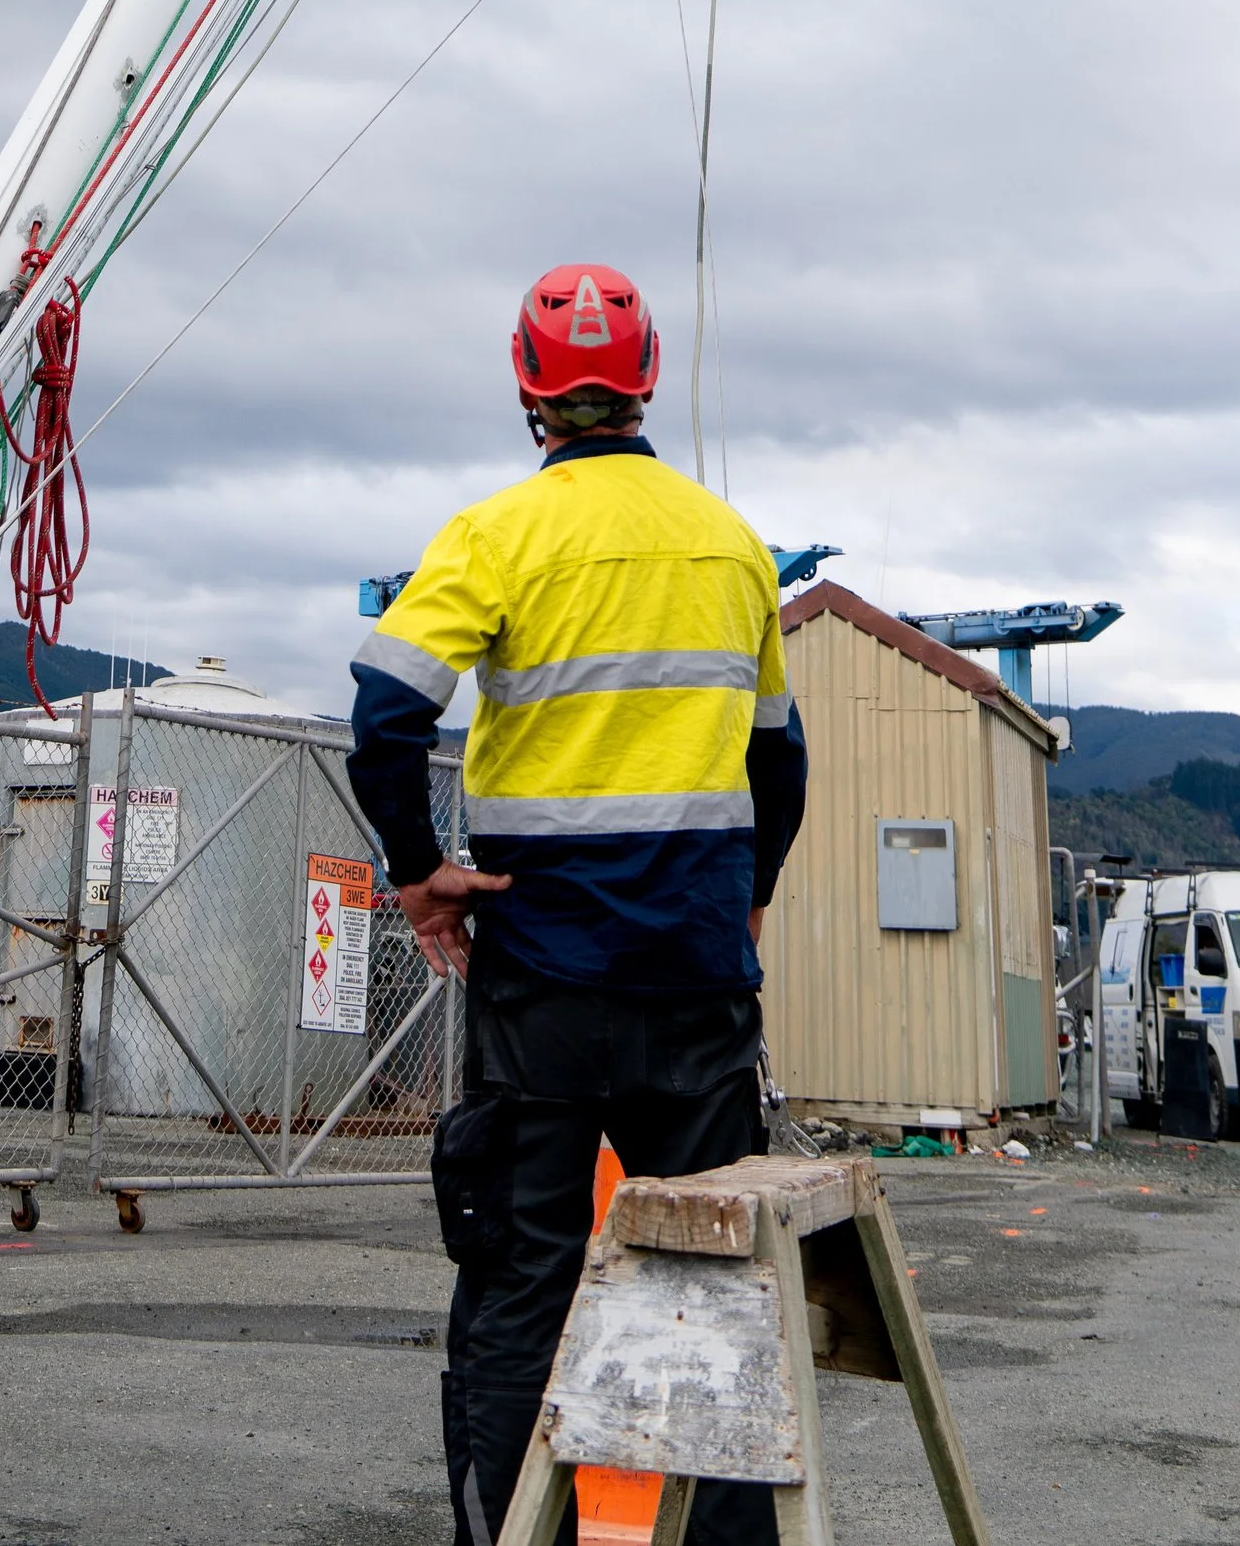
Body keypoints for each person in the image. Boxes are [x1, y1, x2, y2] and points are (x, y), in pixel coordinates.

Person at [348, 266, 807, 1546]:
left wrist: (416, 868)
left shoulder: (497, 534)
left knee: (518, 1282)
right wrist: (745, 898)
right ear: (648, 376)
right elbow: (781, 763)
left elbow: (383, 719)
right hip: (695, 982)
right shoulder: (732, 546)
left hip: (541, 980)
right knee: (712, 1285)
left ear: (525, 385)